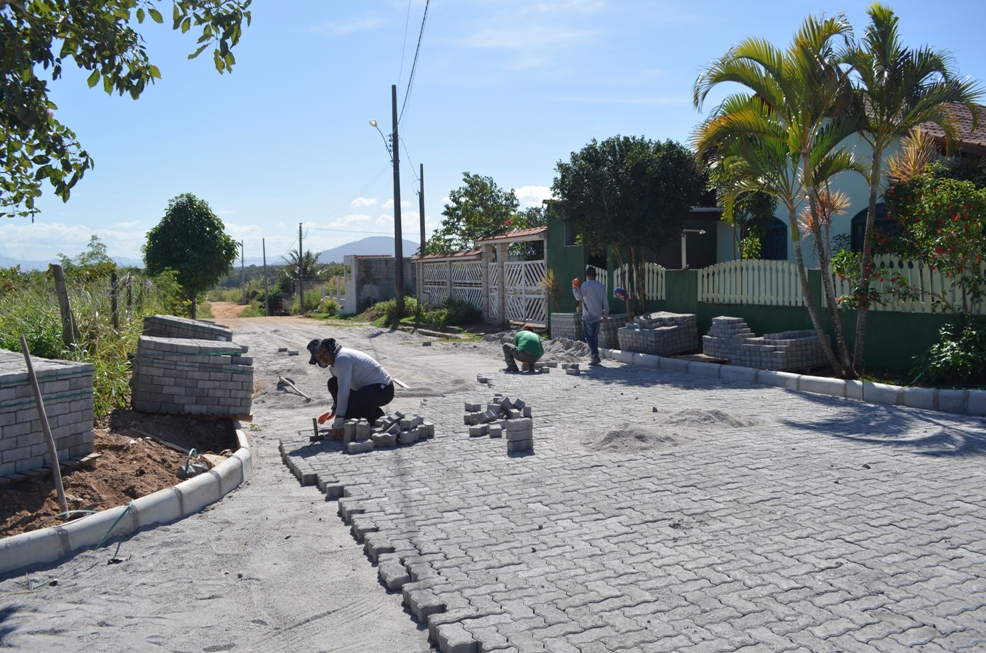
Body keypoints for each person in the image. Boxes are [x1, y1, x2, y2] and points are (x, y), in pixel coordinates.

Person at [308, 338, 395, 437]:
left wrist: (339, 417)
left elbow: (344, 390)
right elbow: (340, 389)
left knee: (355, 402)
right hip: (365, 391)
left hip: (384, 390)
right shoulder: (333, 368)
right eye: (318, 357)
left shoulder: (343, 358)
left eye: (323, 352)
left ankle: (377, 417)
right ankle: (350, 422)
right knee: (333, 383)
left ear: (330, 348)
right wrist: (333, 410)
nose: (322, 357)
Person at [573, 266, 609, 366]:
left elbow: (578, 297)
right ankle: (594, 356)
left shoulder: (585, 285)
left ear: (587, 275)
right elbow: (605, 303)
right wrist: (605, 315)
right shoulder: (601, 286)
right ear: (596, 275)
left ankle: (595, 355)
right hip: (598, 316)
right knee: (594, 337)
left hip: (587, 316)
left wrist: (574, 288)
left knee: (589, 337)